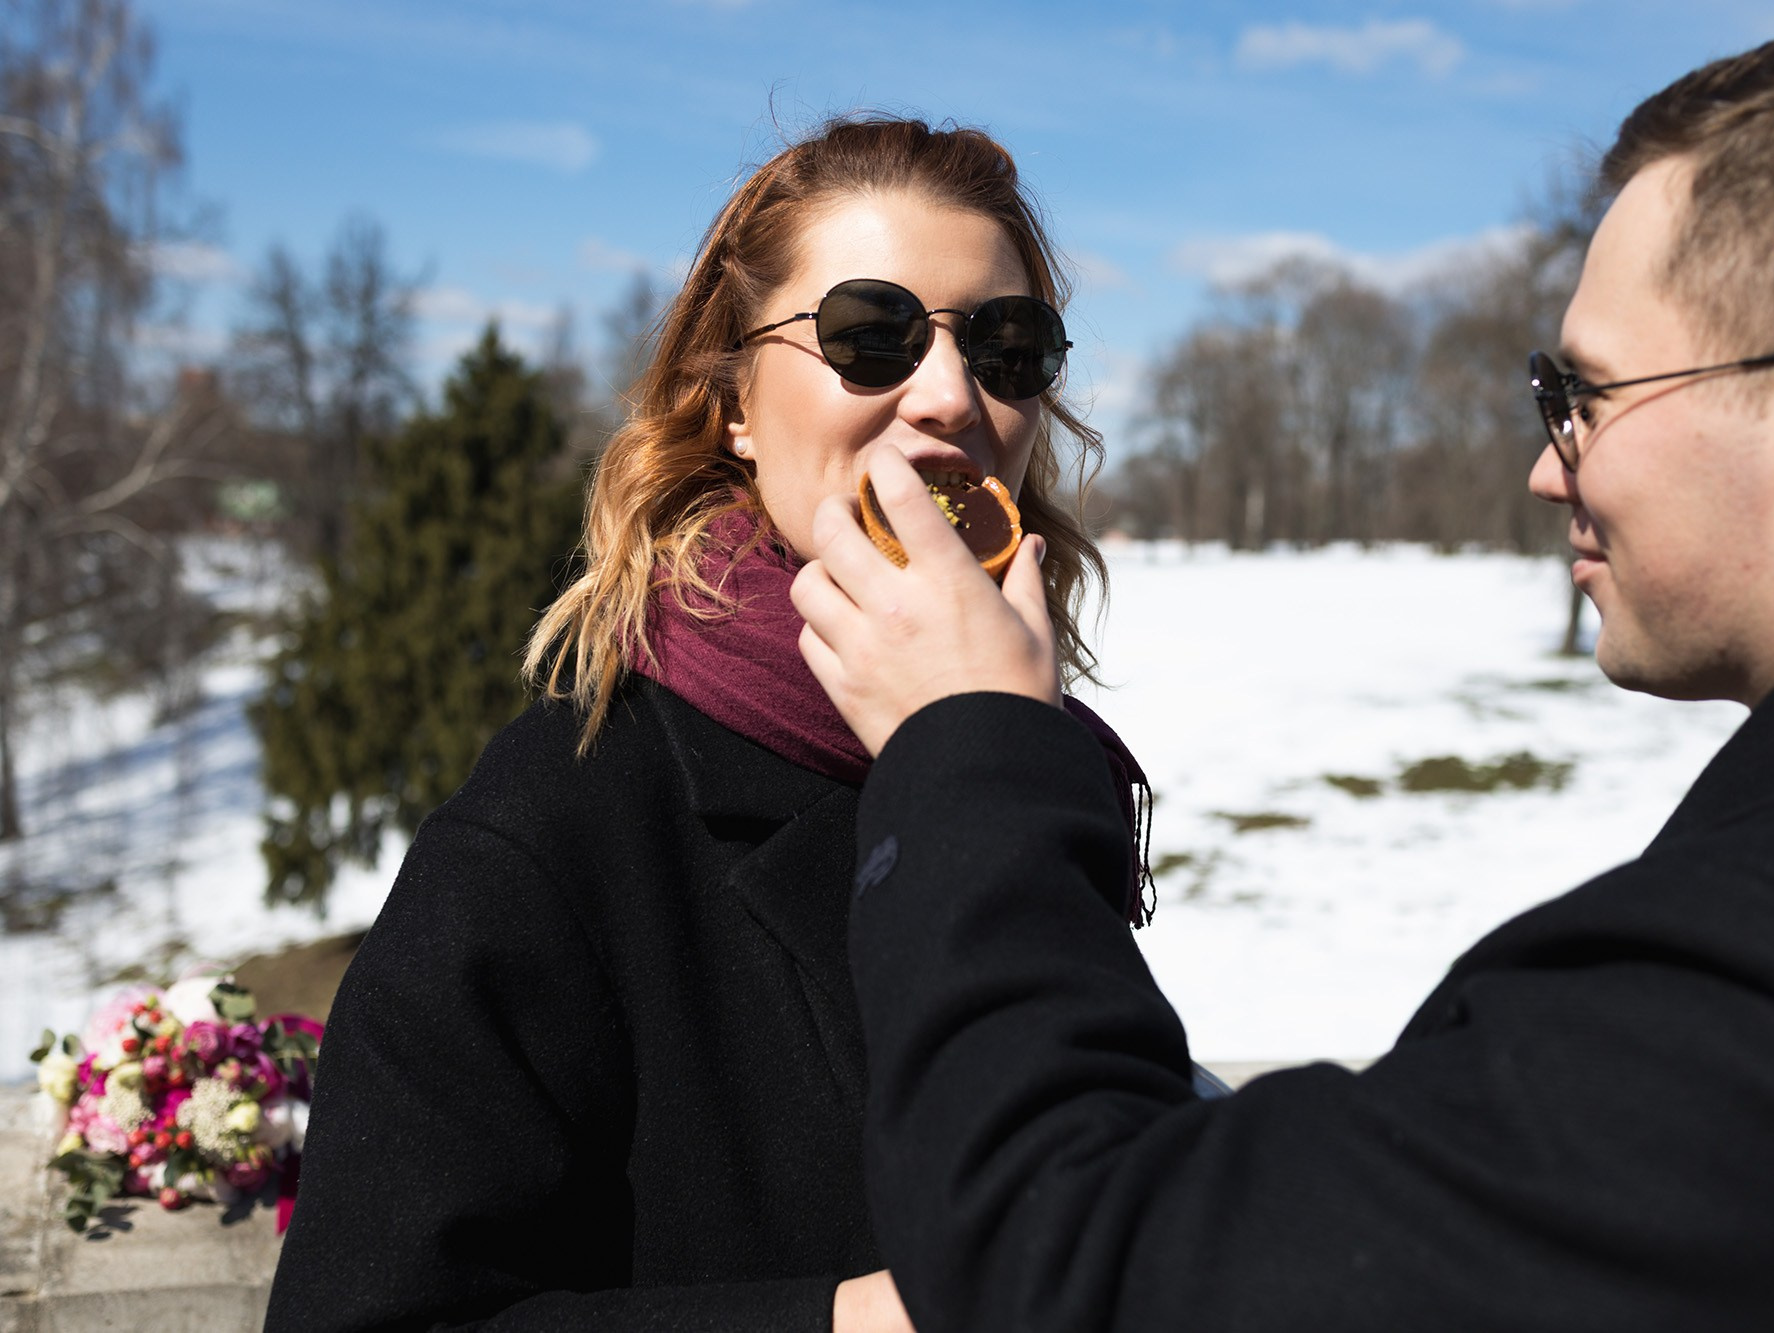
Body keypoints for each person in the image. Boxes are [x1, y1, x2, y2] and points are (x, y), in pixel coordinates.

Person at [789, 6, 1774, 1329]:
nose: (1549, 466)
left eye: (1582, 395)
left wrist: (968, 741)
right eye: (868, 335)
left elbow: (1078, 1268)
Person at [265, 116, 1149, 1333]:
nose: (949, 396)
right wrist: (847, 1324)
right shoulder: (563, 812)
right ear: (732, 399)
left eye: (1004, 346)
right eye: (871, 336)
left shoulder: (1045, 768)